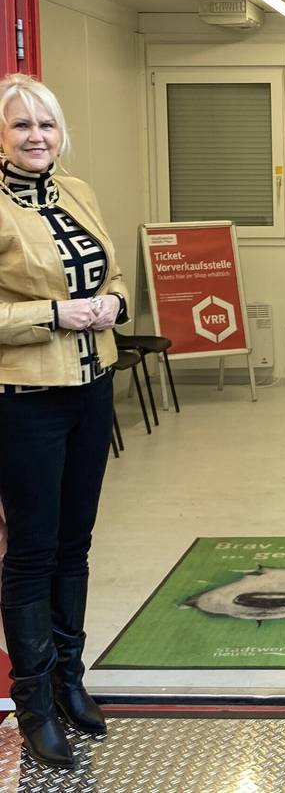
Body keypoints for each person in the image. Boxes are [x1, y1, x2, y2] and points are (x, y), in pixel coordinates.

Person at [0, 74, 128, 769]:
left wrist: (114, 300)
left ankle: (69, 681)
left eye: (45, 124)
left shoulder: (78, 191)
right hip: (25, 399)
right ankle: (34, 709)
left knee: (75, 544)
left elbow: (112, 273)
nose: (36, 136)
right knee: (30, 553)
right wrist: (52, 315)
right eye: (21, 125)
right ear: (1, 135)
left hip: (91, 388)